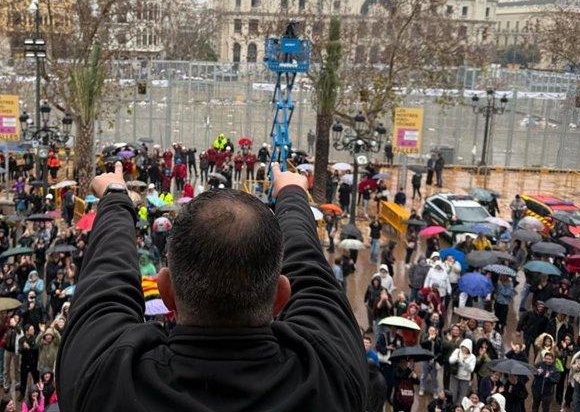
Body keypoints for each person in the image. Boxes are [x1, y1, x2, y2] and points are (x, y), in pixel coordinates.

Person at [57, 161, 367, 410]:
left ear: (166, 292)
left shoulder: (107, 383)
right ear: (280, 297)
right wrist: (294, 196)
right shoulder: (331, 377)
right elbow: (313, 282)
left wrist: (114, 197)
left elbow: (106, 289)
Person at [448, 338, 476, 405]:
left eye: (466, 347)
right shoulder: (457, 351)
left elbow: (471, 369)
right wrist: (457, 359)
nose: (464, 349)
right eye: (463, 347)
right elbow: (450, 361)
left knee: (462, 395)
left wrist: (464, 363)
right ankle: (451, 406)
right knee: (452, 393)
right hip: (455, 376)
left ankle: (459, 408)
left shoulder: (472, 357)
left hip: (465, 379)